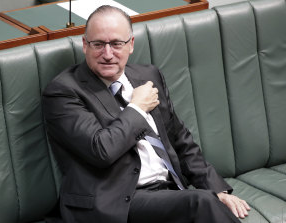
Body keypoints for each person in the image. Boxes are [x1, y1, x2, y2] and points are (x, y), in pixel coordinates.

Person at [42, 5, 250, 223]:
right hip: (117, 203)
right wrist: (137, 108)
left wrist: (217, 189)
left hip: (169, 192)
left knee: (207, 199)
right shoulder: (64, 92)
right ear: (85, 45)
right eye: (98, 44)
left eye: (116, 44)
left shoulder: (148, 75)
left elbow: (180, 141)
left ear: (130, 45)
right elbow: (101, 150)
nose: (108, 54)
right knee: (201, 202)